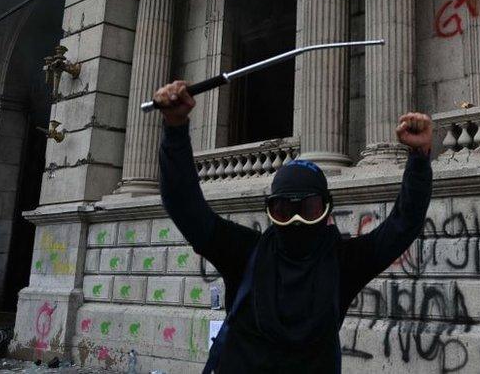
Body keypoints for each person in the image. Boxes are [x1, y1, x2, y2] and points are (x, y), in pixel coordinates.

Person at [154, 80, 433, 373]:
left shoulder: (344, 261)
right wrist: (175, 127)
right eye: (285, 210)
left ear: (326, 210)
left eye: (308, 208)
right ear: (271, 211)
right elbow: (186, 208)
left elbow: (403, 224)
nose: (297, 221)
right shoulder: (246, 252)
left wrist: (419, 158)